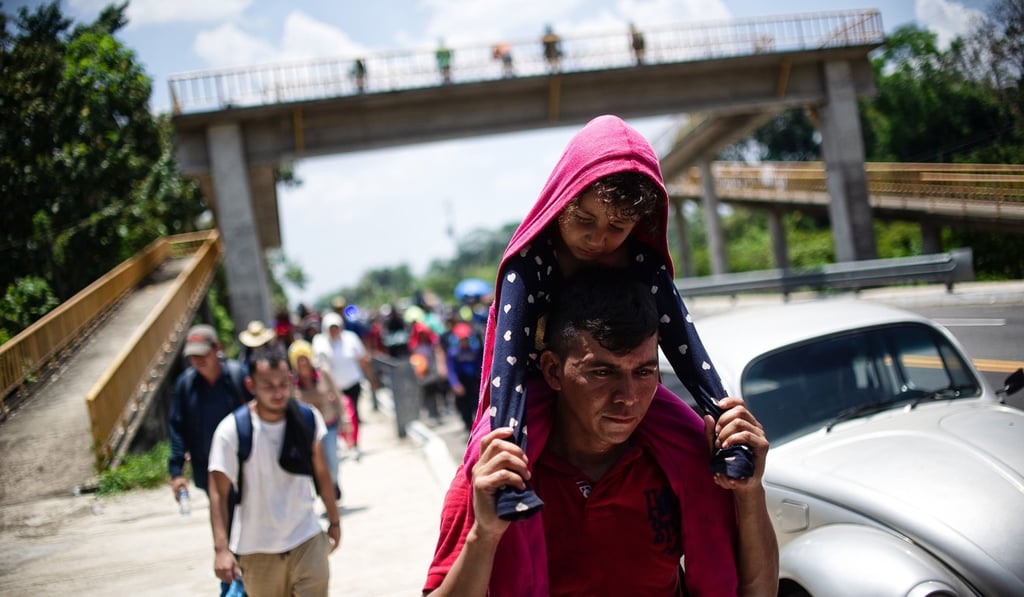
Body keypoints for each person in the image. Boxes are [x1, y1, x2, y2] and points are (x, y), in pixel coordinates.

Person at [471, 114, 756, 522]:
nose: (598, 238)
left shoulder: (642, 263)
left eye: (617, 227)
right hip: (538, 389)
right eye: (584, 220)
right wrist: (506, 449)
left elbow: (687, 349)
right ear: (561, 200)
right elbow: (509, 367)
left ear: (638, 225)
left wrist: (727, 427)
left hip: (619, 388)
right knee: (477, 473)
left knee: (694, 446)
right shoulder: (529, 264)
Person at [423, 269, 777, 595]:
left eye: (643, 372)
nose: (628, 398)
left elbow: (758, 593)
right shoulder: (497, 477)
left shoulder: (682, 462)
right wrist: (483, 535)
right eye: (601, 373)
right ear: (553, 371)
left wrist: (750, 492)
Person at [208, 345, 341, 596]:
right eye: (268, 385)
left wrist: (334, 521)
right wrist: (221, 549)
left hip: (307, 540)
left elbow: (323, 474)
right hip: (256, 551)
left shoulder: (307, 418)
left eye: (283, 384)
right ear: (251, 385)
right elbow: (218, 493)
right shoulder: (232, 431)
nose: (278, 392)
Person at [167, 324, 249, 510]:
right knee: (221, 519)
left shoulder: (238, 377)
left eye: (203, 353)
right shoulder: (186, 386)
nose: (197, 360)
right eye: (193, 356)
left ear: (217, 348)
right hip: (208, 469)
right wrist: (177, 472)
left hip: (244, 467)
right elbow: (177, 428)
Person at [289, 339, 349, 501]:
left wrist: (344, 418)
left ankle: (333, 484)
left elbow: (337, 396)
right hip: (308, 431)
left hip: (329, 425)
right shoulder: (292, 383)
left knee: (333, 461)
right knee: (317, 466)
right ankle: (326, 494)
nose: (303, 363)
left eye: (305, 359)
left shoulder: (323, 373)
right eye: (299, 360)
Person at [313, 311, 379, 458]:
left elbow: (362, 360)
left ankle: (354, 443)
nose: (334, 331)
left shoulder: (350, 338)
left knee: (353, 413)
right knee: (338, 416)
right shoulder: (321, 342)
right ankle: (345, 441)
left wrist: (371, 379)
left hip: (353, 384)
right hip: (334, 389)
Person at [445, 321, 483, 432]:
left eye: (465, 339)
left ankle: (478, 428)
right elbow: (451, 370)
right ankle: (468, 427)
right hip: (461, 382)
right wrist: (455, 384)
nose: (464, 342)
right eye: (461, 339)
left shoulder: (475, 350)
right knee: (464, 408)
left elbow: (480, 366)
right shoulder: (453, 353)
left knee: (476, 405)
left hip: (474, 381)